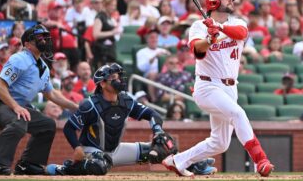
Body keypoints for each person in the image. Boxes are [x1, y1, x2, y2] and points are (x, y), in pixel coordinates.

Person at [162, 0, 274, 177]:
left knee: (220, 143)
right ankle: (260, 160)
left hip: (230, 88)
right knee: (238, 114)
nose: (231, 0)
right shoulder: (199, 26)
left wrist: (219, 28)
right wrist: (209, 38)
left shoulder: (237, 22)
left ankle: (177, 161)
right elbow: (198, 51)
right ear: (214, 2)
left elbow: (240, 33)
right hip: (207, 86)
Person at [47, 63, 215, 175]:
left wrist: (157, 131)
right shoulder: (89, 104)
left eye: (119, 76)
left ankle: (194, 164)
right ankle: (67, 168)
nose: (119, 80)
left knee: (165, 144)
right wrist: (77, 148)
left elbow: (152, 114)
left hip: (116, 150)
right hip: (92, 151)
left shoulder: (126, 101)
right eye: (113, 78)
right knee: (99, 165)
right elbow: (69, 127)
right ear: (103, 84)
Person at [0, 24, 78, 175]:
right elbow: (0, 84)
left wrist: (75, 106)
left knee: (47, 125)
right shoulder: (19, 58)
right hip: (3, 102)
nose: (45, 40)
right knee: (18, 123)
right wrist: (16, 107)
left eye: (46, 37)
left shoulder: (43, 67)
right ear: (27, 44)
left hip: (16, 106)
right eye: (39, 37)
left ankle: (28, 164)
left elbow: (51, 94)